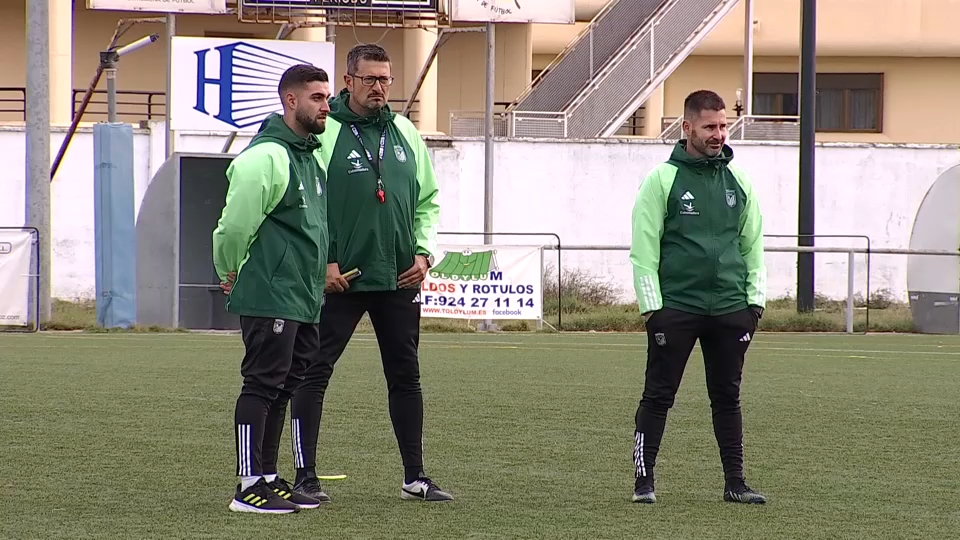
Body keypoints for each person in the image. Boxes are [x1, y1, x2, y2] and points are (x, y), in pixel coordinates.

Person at [288, 43, 450, 503]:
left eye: (386, 79)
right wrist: (324, 260)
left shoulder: (404, 131)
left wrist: (423, 253)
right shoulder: (325, 131)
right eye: (370, 80)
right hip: (341, 280)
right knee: (313, 374)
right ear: (348, 81)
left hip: (398, 278)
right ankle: (305, 477)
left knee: (406, 376)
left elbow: (427, 200)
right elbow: (308, 202)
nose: (379, 87)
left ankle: (415, 477)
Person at [628, 89, 768, 505]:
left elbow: (753, 244)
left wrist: (753, 304)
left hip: (730, 308)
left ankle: (735, 484)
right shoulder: (662, 179)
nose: (719, 134)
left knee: (727, 397)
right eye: (710, 127)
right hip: (676, 309)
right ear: (687, 127)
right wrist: (653, 309)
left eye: (723, 126)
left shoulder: (739, 180)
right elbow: (644, 248)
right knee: (658, 396)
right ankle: (643, 482)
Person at [212, 64, 333, 514]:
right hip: (270, 292)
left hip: (303, 295)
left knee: (284, 386)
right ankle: (246, 487)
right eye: (317, 98)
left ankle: (266, 475)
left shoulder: (310, 156)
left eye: (326, 97)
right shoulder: (264, 157)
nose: (326, 105)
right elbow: (234, 226)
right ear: (291, 101)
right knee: (261, 385)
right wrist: (228, 269)